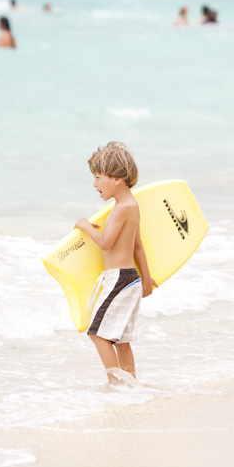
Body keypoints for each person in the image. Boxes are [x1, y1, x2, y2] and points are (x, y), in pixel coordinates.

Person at [74, 142, 157, 385]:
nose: (94, 184)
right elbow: (137, 245)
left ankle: (116, 384)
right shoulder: (130, 205)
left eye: (98, 178)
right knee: (121, 339)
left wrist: (85, 225)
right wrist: (146, 278)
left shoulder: (122, 208)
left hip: (119, 279)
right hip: (129, 278)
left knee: (97, 334)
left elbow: (107, 243)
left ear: (117, 178)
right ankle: (131, 383)